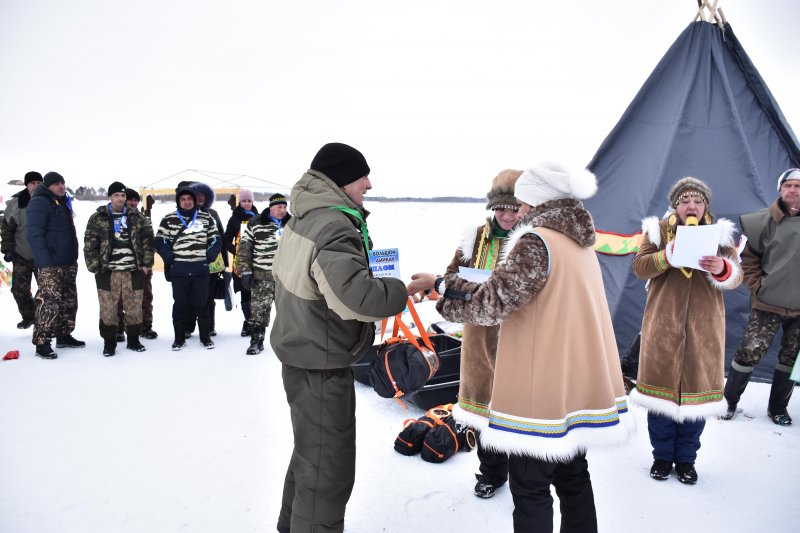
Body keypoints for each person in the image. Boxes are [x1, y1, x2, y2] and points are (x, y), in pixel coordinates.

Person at [408, 162, 633, 533]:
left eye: (523, 202)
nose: (520, 210)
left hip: (538, 392)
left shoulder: (537, 241)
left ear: (536, 199)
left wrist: (442, 287)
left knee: (529, 487)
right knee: (574, 477)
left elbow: (493, 303)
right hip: (572, 384)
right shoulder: (580, 242)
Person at [270, 142, 407, 533]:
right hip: (321, 361)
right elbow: (357, 299)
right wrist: (403, 291)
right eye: (362, 175)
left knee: (311, 455)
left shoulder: (305, 217)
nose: (368, 183)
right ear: (342, 179)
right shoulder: (332, 224)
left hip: (305, 350)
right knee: (327, 469)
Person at [631, 176, 742, 484]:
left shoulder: (720, 235)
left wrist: (721, 268)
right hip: (663, 326)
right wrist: (667, 255)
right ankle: (662, 457)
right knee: (661, 398)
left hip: (704, 330)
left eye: (697, 200)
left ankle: (687, 460)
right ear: (675, 205)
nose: (691, 206)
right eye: (684, 201)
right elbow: (640, 267)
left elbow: (736, 278)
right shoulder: (657, 232)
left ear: (705, 205)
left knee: (695, 399)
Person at [434, 169, 521, 499]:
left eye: (514, 208)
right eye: (502, 208)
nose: (508, 215)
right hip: (480, 333)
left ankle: (524, 474)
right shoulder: (473, 238)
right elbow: (449, 276)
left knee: (517, 405)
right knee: (484, 407)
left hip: (518, 334)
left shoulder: (530, 239)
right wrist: (471, 286)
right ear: (493, 208)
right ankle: (492, 472)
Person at [722, 168, 800, 426]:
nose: (793, 190)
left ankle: (778, 407)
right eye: (788, 185)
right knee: (750, 351)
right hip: (768, 301)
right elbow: (748, 258)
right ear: (780, 189)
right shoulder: (762, 222)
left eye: (798, 186)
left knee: (791, 357)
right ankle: (729, 400)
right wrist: (759, 286)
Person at [84, 182, 155, 356]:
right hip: (108, 271)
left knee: (134, 307)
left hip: (133, 270)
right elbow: (89, 244)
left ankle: (133, 340)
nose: (121, 199)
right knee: (108, 308)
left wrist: (146, 264)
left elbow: (148, 241)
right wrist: (94, 266)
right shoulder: (98, 217)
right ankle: (109, 342)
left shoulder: (136, 217)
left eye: (123, 196)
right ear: (110, 197)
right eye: (117, 195)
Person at [26, 171, 85, 359]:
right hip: (50, 264)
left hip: (67, 261)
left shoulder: (61, 201)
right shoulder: (39, 202)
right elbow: (34, 235)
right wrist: (45, 263)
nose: (61, 186)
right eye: (57, 184)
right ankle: (42, 342)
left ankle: (64, 335)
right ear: (48, 186)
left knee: (69, 301)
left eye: (63, 183)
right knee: (48, 303)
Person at [155, 185, 221, 350]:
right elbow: (160, 241)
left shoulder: (206, 218)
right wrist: (170, 259)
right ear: (178, 201)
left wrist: (209, 256)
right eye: (183, 199)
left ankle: (205, 338)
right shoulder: (168, 219)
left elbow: (215, 238)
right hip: (179, 271)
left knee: (202, 305)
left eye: (189, 199)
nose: (186, 202)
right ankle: (179, 339)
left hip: (201, 270)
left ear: (194, 201)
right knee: (180, 305)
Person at [236, 193, 291, 355]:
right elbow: (244, 248)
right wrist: (245, 271)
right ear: (271, 207)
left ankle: (289, 343)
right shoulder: (256, 223)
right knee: (258, 313)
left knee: (289, 313)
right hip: (262, 277)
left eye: (284, 206)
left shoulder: (293, 224)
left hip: (287, 279)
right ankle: (256, 342)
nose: (282, 210)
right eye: (278, 207)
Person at [1, 171, 42, 329]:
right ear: (27, 185)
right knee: (19, 290)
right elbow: (7, 228)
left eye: (39, 183)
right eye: (33, 183)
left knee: (46, 293)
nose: (36, 186)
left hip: (43, 257)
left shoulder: (49, 201)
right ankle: (29, 316)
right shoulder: (17, 203)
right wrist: (7, 249)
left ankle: (44, 321)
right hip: (21, 255)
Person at [116, 188, 158, 340]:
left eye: (136, 200)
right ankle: (118, 328)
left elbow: (150, 242)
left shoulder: (143, 219)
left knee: (145, 297)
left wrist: (147, 263)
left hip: (141, 266)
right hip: (121, 265)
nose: (133, 203)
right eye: (130, 199)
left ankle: (145, 326)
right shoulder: (115, 218)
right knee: (119, 298)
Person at [190, 182, 227, 337]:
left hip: (212, 264)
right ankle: (188, 327)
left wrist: (223, 264)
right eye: (197, 195)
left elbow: (221, 238)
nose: (200, 198)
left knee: (209, 297)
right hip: (191, 263)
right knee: (190, 296)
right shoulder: (185, 213)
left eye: (203, 195)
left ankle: (209, 327)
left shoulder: (213, 213)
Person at [223, 189, 260, 337]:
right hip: (241, 263)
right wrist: (237, 251)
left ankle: (255, 322)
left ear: (252, 202)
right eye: (244, 201)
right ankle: (248, 322)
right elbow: (226, 240)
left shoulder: (259, 218)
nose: (246, 203)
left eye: (249, 201)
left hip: (257, 261)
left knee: (256, 293)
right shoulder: (234, 219)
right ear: (240, 202)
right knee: (245, 292)